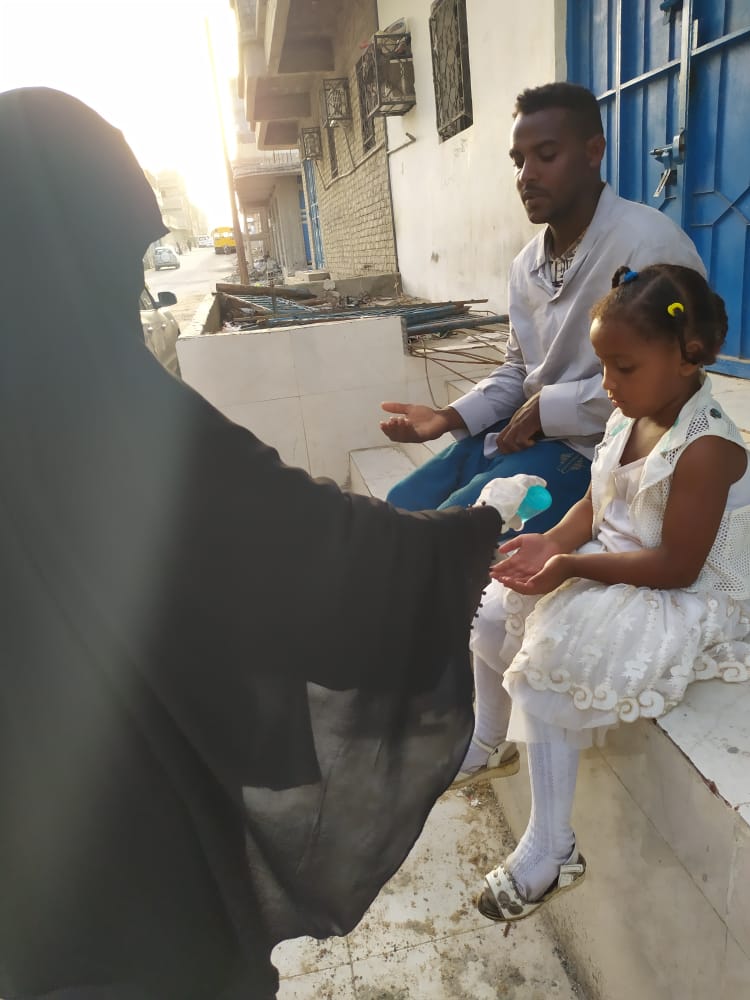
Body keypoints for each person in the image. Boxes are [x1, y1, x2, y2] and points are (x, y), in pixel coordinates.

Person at [0, 88, 504, 1000]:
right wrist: (472, 533)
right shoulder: (108, 414)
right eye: (123, 256)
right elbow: (302, 558)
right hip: (121, 876)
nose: (133, 289)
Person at [459, 264, 750, 922]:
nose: (608, 385)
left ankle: (552, 849)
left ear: (688, 358)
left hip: (679, 590)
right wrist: (551, 544)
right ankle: (488, 740)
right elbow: (594, 505)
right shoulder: (630, 416)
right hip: (613, 563)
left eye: (624, 367)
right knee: (492, 605)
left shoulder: (705, 447)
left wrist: (569, 568)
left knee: (552, 654)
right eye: (603, 367)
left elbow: (678, 566)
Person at [380, 82, 705, 528]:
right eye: (518, 161)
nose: (526, 175)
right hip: (527, 435)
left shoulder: (650, 244)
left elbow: (675, 377)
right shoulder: (525, 265)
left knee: (454, 534)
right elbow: (519, 367)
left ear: (594, 151)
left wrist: (547, 408)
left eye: (546, 156)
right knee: (399, 505)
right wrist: (446, 417)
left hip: (600, 449)